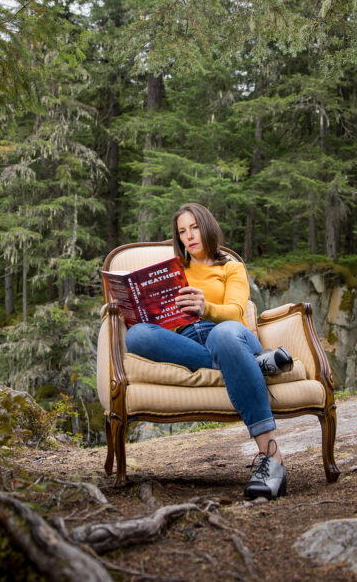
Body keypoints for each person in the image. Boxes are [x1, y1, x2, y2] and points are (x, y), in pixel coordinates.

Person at [124, 203, 292, 499]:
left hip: (231, 335)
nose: (189, 236)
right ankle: (255, 364)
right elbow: (155, 323)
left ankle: (272, 459)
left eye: (194, 227)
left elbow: (237, 313)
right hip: (187, 343)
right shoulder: (174, 272)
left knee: (224, 335)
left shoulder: (231, 267)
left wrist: (206, 308)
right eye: (182, 231)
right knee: (137, 335)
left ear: (207, 226)